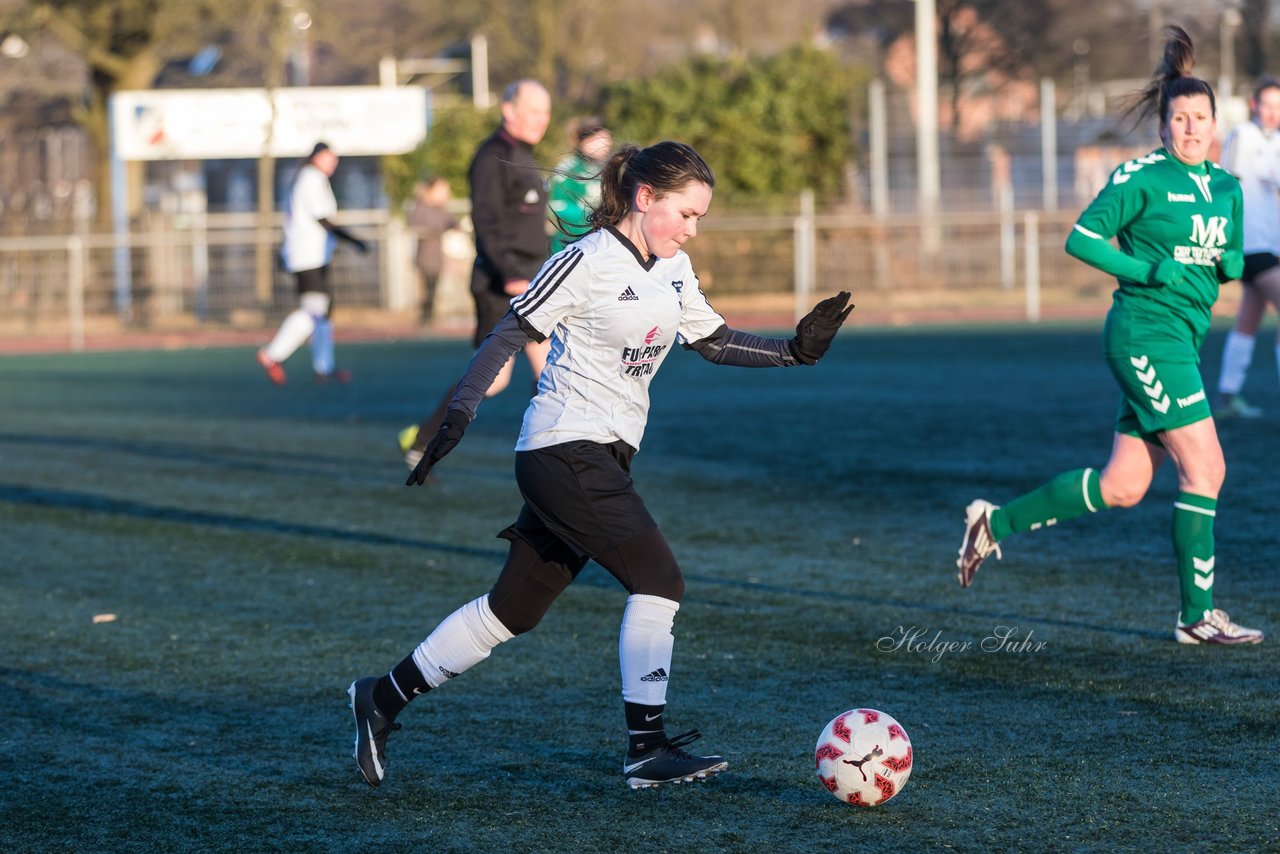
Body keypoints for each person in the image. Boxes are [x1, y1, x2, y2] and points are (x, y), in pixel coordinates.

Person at [350, 141, 854, 790]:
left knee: (514, 611)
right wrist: (462, 412)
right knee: (659, 579)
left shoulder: (675, 270)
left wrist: (795, 352)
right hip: (564, 450)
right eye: (685, 213)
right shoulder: (584, 261)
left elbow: (715, 341)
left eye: (700, 217)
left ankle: (381, 699)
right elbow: (511, 330)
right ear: (645, 199)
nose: (692, 228)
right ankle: (646, 748)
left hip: (602, 458)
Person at [956, 27, 1263, 646]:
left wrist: (1231, 261)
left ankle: (993, 522)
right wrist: (1149, 269)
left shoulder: (1227, 187)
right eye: (1180, 119)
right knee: (1207, 469)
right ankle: (1196, 616)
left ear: (1215, 123)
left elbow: (1229, 256)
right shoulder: (1141, 177)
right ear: (1163, 125)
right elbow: (1081, 238)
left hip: (1182, 339)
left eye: (1201, 118)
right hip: (1144, 335)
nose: (1192, 129)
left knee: (1124, 486)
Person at [397, 80, 553, 466]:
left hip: (534, 283)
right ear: (508, 110)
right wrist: (510, 273)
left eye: (545, 112)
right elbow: (486, 223)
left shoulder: (525, 155)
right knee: (495, 381)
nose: (541, 120)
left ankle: (554, 459)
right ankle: (420, 440)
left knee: (553, 370)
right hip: (503, 286)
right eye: (533, 111)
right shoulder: (491, 157)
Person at [256, 142, 368, 385]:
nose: (333, 163)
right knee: (315, 311)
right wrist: (353, 240)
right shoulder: (311, 179)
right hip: (307, 256)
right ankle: (272, 354)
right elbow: (323, 219)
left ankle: (323, 367)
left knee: (322, 311)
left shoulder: (311, 179)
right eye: (329, 158)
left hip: (313, 255)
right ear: (316, 157)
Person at [1215, 77, 1280, 418]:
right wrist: (1227, 241)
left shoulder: (1277, 141)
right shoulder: (1242, 136)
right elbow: (1227, 187)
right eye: (1268, 105)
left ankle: (1228, 396)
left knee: (1249, 318)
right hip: (1249, 243)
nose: (1273, 112)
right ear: (1255, 105)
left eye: (1278, 107)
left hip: (1271, 244)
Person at [547, 118, 612, 253]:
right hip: (571, 241)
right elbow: (556, 205)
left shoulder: (610, 169)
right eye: (598, 139)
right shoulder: (568, 169)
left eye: (606, 139)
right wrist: (589, 214)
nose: (605, 143)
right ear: (584, 142)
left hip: (600, 241)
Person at [407, 176, 461, 325]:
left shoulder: (441, 209)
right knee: (427, 291)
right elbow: (418, 228)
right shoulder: (420, 208)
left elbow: (453, 223)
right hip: (426, 258)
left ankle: (428, 320)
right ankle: (424, 321)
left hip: (437, 257)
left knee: (433, 290)